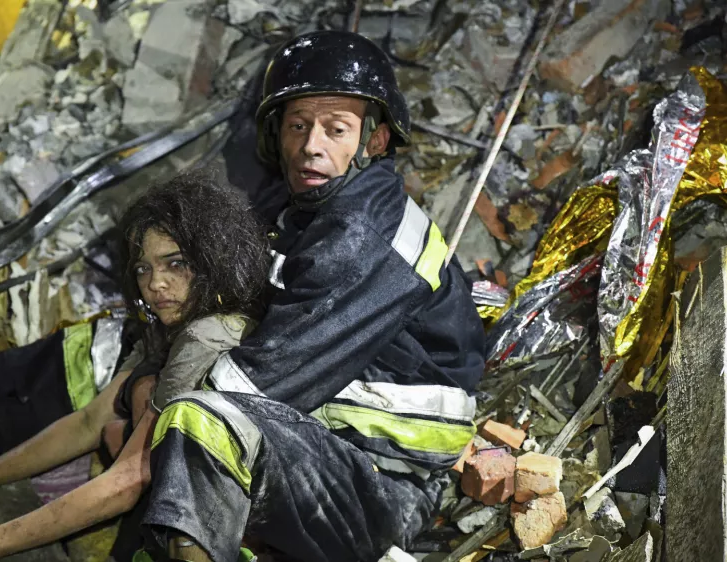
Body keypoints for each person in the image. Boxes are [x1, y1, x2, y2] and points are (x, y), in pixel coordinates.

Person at [122, 30, 488, 562]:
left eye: (336, 129)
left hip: (382, 488)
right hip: (334, 457)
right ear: (277, 135)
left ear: (376, 141)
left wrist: (156, 403)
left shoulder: (361, 234)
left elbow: (252, 383)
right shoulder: (312, 216)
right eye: (297, 126)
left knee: (200, 426)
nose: (311, 145)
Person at [0, 173, 272, 562]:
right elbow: (89, 423)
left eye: (176, 264)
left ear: (214, 259)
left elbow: (131, 477)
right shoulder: (173, 330)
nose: (155, 284)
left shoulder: (209, 334)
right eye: (143, 268)